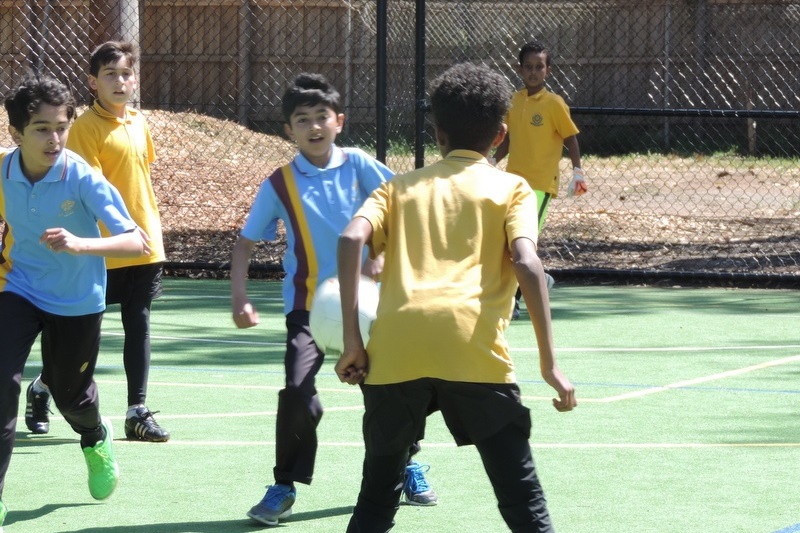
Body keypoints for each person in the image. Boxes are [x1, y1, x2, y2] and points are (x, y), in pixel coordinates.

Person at [335, 62, 577, 532]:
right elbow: (527, 263)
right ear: (501, 135)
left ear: (437, 131)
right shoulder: (512, 188)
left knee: (376, 500)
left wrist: (353, 342)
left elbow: (349, 240)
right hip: (474, 349)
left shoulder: (397, 187)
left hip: (398, 350)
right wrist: (549, 364)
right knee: (521, 498)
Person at [230, 73, 437, 527]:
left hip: (368, 307)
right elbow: (245, 244)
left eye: (321, 117)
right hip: (306, 309)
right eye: (301, 120)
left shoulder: (360, 165)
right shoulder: (280, 184)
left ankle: (408, 464)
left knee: (391, 392)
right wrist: (240, 296)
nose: (313, 126)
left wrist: (382, 256)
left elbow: (403, 205)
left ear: (338, 121)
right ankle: (283, 485)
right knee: (298, 393)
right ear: (289, 130)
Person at [0, 73, 150, 530]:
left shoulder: (82, 177)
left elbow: (137, 242)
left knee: (70, 395)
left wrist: (80, 244)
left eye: (61, 126)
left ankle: (94, 435)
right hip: (19, 288)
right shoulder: (4, 172)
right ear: (16, 133)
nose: (55, 138)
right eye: (42, 128)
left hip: (77, 300)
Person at [24, 41, 170, 442]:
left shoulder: (138, 122)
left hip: (142, 243)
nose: (120, 82)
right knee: (80, 336)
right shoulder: (85, 129)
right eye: (110, 74)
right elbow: (88, 191)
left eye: (126, 73)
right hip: (98, 250)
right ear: (93, 82)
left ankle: (136, 410)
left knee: (138, 322)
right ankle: (42, 389)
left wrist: (145, 231)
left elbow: (140, 180)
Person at [493, 40, 586, 318]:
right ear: (519, 69)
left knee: (524, 243)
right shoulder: (514, 100)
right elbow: (508, 139)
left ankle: (516, 300)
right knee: (507, 240)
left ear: (548, 71)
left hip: (540, 186)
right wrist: (493, 160)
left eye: (539, 67)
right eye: (528, 67)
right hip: (512, 185)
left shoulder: (554, 104)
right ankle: (540, 281)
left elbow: (571, 139)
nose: (533, 72)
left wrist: (577, 171)